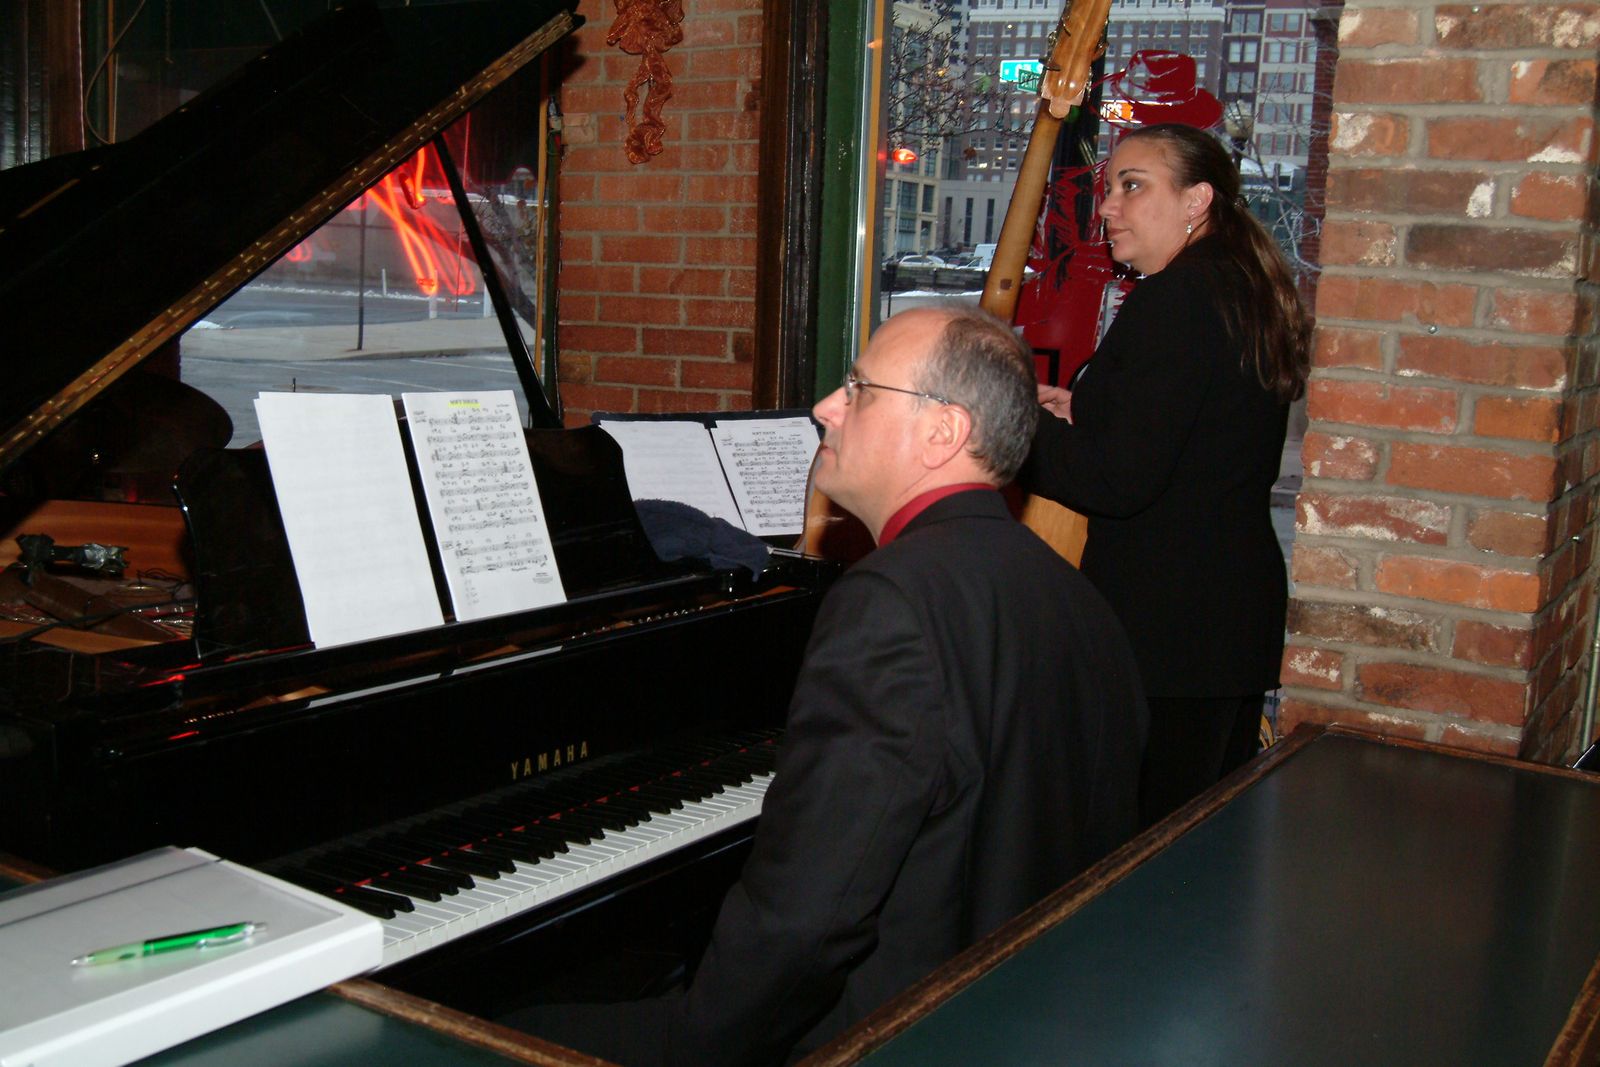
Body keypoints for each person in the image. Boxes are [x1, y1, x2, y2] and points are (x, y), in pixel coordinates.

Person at [510, 305, 1147, 1066]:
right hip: (1013, 1024)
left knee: (499, 1030)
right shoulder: (1082, 602)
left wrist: (692, 1044)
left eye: (860, 389)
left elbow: (804, 925)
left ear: (943, 432)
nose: (824, 407)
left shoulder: (889, 605)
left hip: (880, 1036)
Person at [1020, 122, 1313, 829]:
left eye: (1133, 186)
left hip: (1168, 631)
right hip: (1224, 621)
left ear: (1196, 199)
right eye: (1109, 188)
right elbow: (1198, 434)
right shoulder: (1238, 286)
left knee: (1139, 851)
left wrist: (1009, 423)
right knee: (1200, 848)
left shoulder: (1175, 299)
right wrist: (1081, 410)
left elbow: (1119, 481)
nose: (1108, 207)